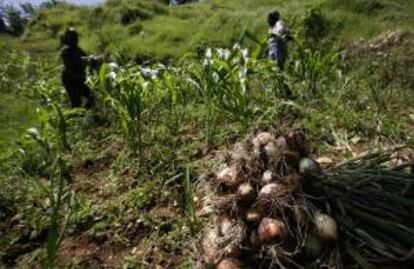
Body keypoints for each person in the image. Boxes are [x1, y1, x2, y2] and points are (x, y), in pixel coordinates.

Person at [60, 28, 98, 109]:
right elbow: (77, 61)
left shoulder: (77, 49)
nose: (76, 39)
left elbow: (85, 57)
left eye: (76, 37)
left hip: (78, 79)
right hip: (71, 80)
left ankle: (83, 115)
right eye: (74, 37)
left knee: (91, 97)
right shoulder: (66, 51)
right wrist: (88, 60)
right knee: (76, 102)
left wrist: (93, 59)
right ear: (69, 39)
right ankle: (77, 118)